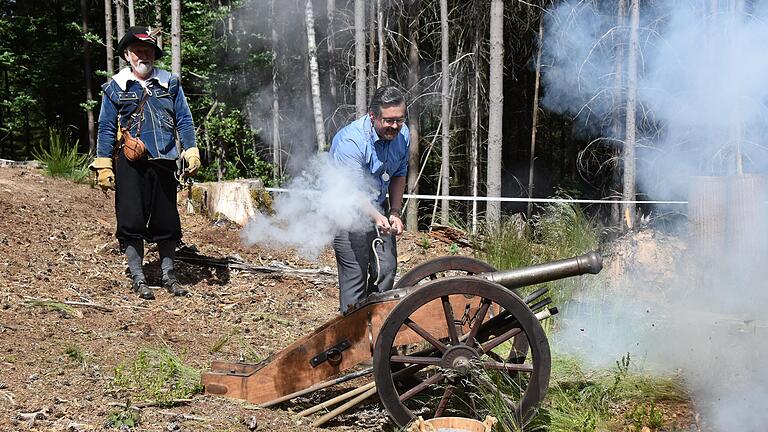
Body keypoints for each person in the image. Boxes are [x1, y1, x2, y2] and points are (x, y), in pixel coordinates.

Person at [90, 26, 200, 300]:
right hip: (131, 163)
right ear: (127, 55)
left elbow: (184, 119)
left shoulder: (170, 83)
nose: (144, 56)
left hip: (164, 159)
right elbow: (105, 127)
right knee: (131, 219)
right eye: (138, 51)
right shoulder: (115, 87)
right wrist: (104, 163)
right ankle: (138, 277)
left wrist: (191, 149)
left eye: (148, 51)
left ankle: (168, 275)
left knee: (167, 220)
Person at [329, 86, 410, 314]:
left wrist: (394, 212)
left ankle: (379, 331)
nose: (395, 126)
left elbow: (399, 173)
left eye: (399, 120)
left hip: (379, 207)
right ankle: (353, 338)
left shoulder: (403, 135)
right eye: (389, 121)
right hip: (346, 210)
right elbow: (351, 191)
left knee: (387, 270)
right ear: (373, 115)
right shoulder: (351, 141)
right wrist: (376, 216)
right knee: (355, 276)